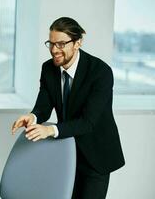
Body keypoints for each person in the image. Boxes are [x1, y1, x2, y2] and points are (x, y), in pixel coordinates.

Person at [11, 17, 125, 199]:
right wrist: (32, 117)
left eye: (61, 44)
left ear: (77, 42)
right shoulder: (48, 69)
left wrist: (49, 130)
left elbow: (88, 122)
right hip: (67, 154)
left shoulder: (100, 72)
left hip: (96, 156)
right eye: (51, 43)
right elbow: (44, 104)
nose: (54, 50)